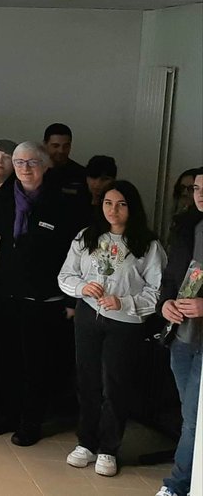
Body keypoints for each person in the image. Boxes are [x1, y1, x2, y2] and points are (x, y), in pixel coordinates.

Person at [0, 141, 90, 446]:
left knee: (37, 365)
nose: (25, 168)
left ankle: (31, 422)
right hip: (3, 293)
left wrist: (71, 300)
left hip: (44, 298)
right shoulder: (1, 198)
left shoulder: (65, 203)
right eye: (20, 163)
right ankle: (7, 414)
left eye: (32, 163)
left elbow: (77, 255)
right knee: (5, 360)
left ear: (45, 166)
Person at [58, 180, 164, 477]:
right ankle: (86, 443)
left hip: (124, 322)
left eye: (121, 204)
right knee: (87, 380)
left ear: (132, 207)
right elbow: (66, 275)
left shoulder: (147, 244)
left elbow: (157, 292)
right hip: (88, 315)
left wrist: (125, 302)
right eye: (107, 203)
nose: (113, 210)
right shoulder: (86, 237)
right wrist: (82, 287)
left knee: (115, 384)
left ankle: (108, 448)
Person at [157, 168, 203, 496]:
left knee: (192, 417)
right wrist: (165, 304)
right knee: (191, 415)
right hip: (182, 334)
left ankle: (176, 485)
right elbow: (171, 278)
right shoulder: (186, 226)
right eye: (197, 188)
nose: (200, 194)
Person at [43, 122, 88, 202]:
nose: (61, 151)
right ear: (45, 144)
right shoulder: (34, 172)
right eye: (55, 146)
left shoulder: (82, 174)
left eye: (66, 146)